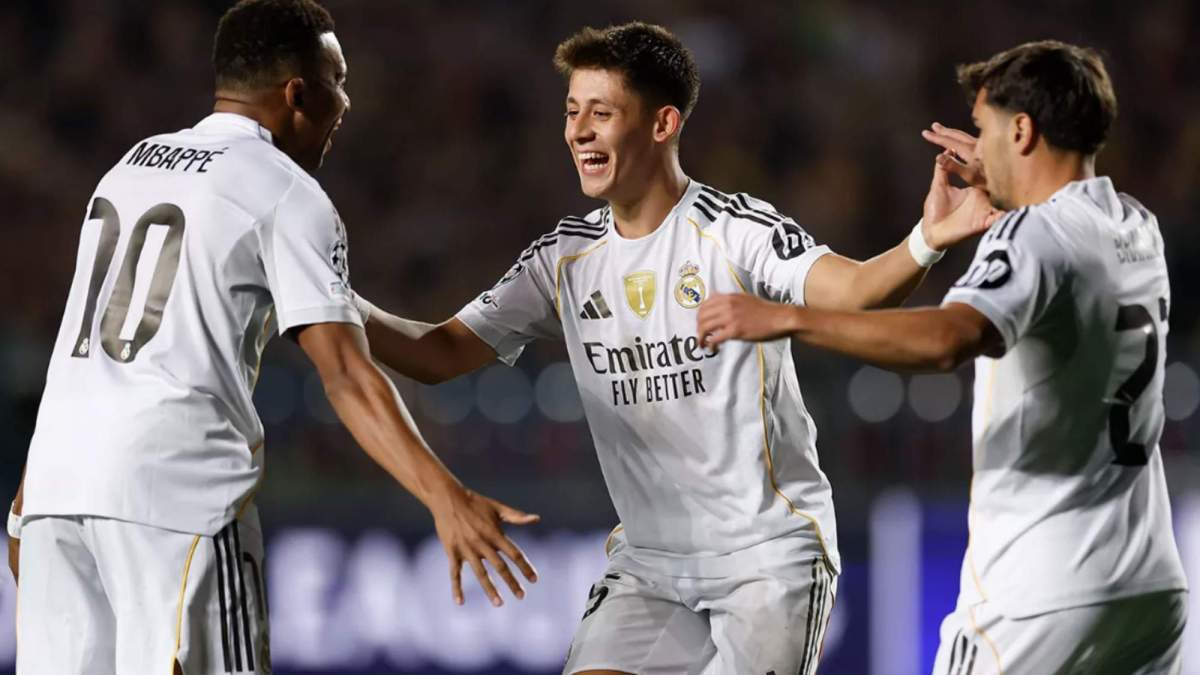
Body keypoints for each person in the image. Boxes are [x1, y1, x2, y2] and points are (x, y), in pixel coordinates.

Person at [354, 22, 993, 674]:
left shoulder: (734, 231)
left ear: (662, 124)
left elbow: (854, 290)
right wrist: (326, 300)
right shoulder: (562, 258)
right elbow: (434, 354)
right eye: (572, 112)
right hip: (651, 567)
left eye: (601, 113)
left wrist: (927, 239)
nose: (578, 131)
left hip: (766, 556)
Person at [5, 1, 537, 673]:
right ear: (298, 92)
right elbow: (344, 373)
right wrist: (445, 496)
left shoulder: (130, 168)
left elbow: (87, 353)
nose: (345, 102)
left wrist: (31, 500)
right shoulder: (285, 191)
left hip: (57, 493)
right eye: (338, 79)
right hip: (176, 498)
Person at [698, 40, 1188, 673]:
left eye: (983, 131)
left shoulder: (1032, 234)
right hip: (1148, 591)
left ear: (1023, 129)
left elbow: (947, 340)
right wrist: (1005, 186)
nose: (974, 150)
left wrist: (789, 316)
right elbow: (1064, 260)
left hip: (1039, 596)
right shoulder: (1136, 225)